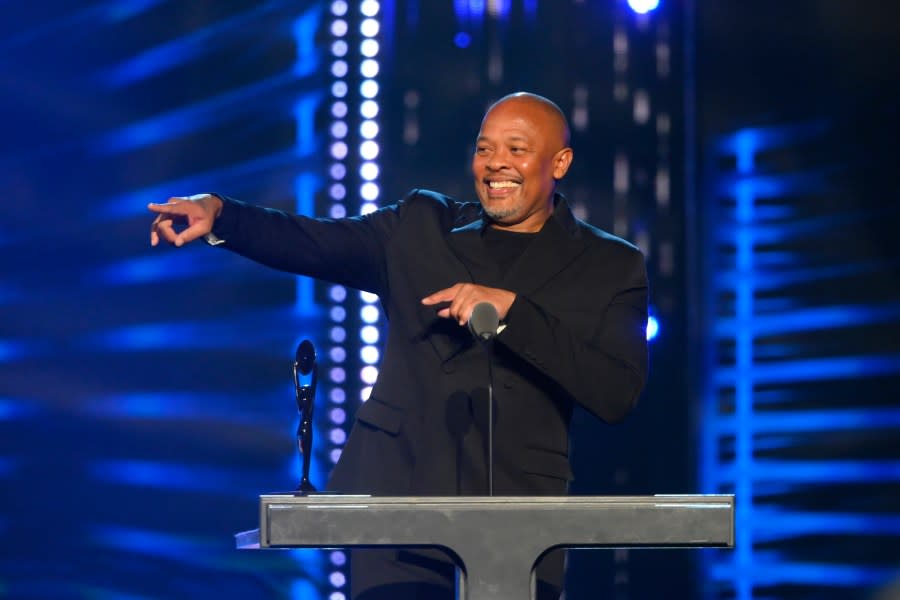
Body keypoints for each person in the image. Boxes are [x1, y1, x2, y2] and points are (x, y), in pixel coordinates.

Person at [148, 92, 648, 599]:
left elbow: (615, 392)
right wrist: (222, 216)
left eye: (516, 149)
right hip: (399, 499)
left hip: (519, 512)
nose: (496, 163)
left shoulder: (609, 265)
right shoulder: (420, 225)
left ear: (559, 162)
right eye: (484, 149)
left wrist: (514, 313)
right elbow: (313, 241)